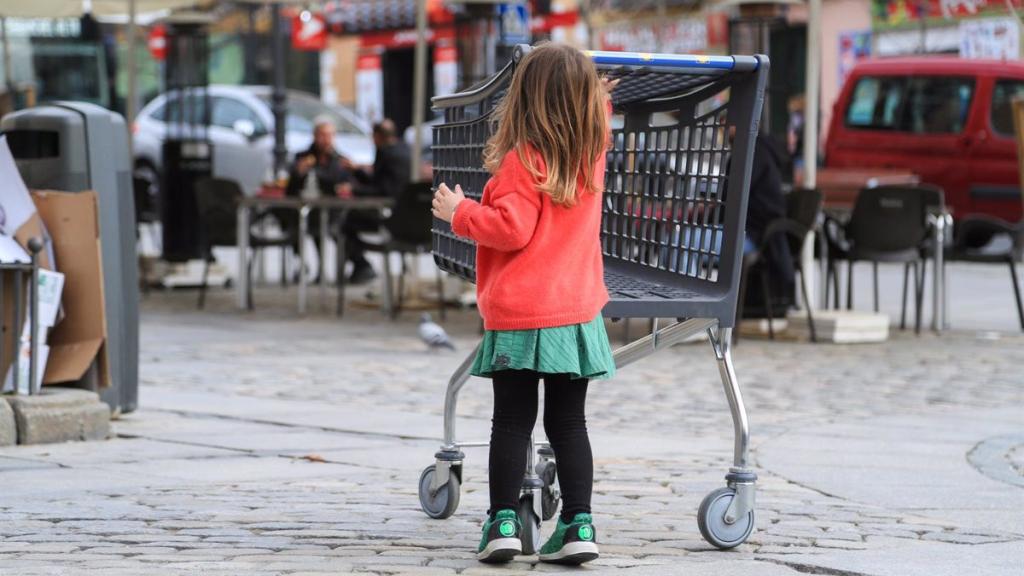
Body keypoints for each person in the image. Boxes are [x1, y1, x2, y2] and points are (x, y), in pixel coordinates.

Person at [431, 42, 616, 566]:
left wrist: (459, 211)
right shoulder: (592, 153)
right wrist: (597, 101)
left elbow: (510, 230)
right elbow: (597, 121)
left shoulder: (522, 160)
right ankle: (579, 523)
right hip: (576, 314)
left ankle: (503, 522)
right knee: (569, 424)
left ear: (524, 99)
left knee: (512, 421)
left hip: (521, 315)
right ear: (582, 101)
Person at [338, 119, 412, 284]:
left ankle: (361, 265)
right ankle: (361, 266)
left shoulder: (388, 154)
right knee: (349, 219)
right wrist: (357, 170)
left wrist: (353, 190)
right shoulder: (401, 149)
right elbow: (378, 182)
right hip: (402, 214)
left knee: (345, 222)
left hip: (390, 216)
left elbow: (383, 191)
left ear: (378, 136)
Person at [284, 118, 353, 281]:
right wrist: (298, 171)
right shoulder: (302, 157)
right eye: (322, 135)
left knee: (339, 225)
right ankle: (300, 264)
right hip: (305, 208)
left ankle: (348, 266)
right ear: (315, 136)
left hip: (331, 209)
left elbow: (342, 182)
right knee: (291, 219)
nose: (325, 140)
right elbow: (291, 185)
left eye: (329, 136)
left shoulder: (338, 159)